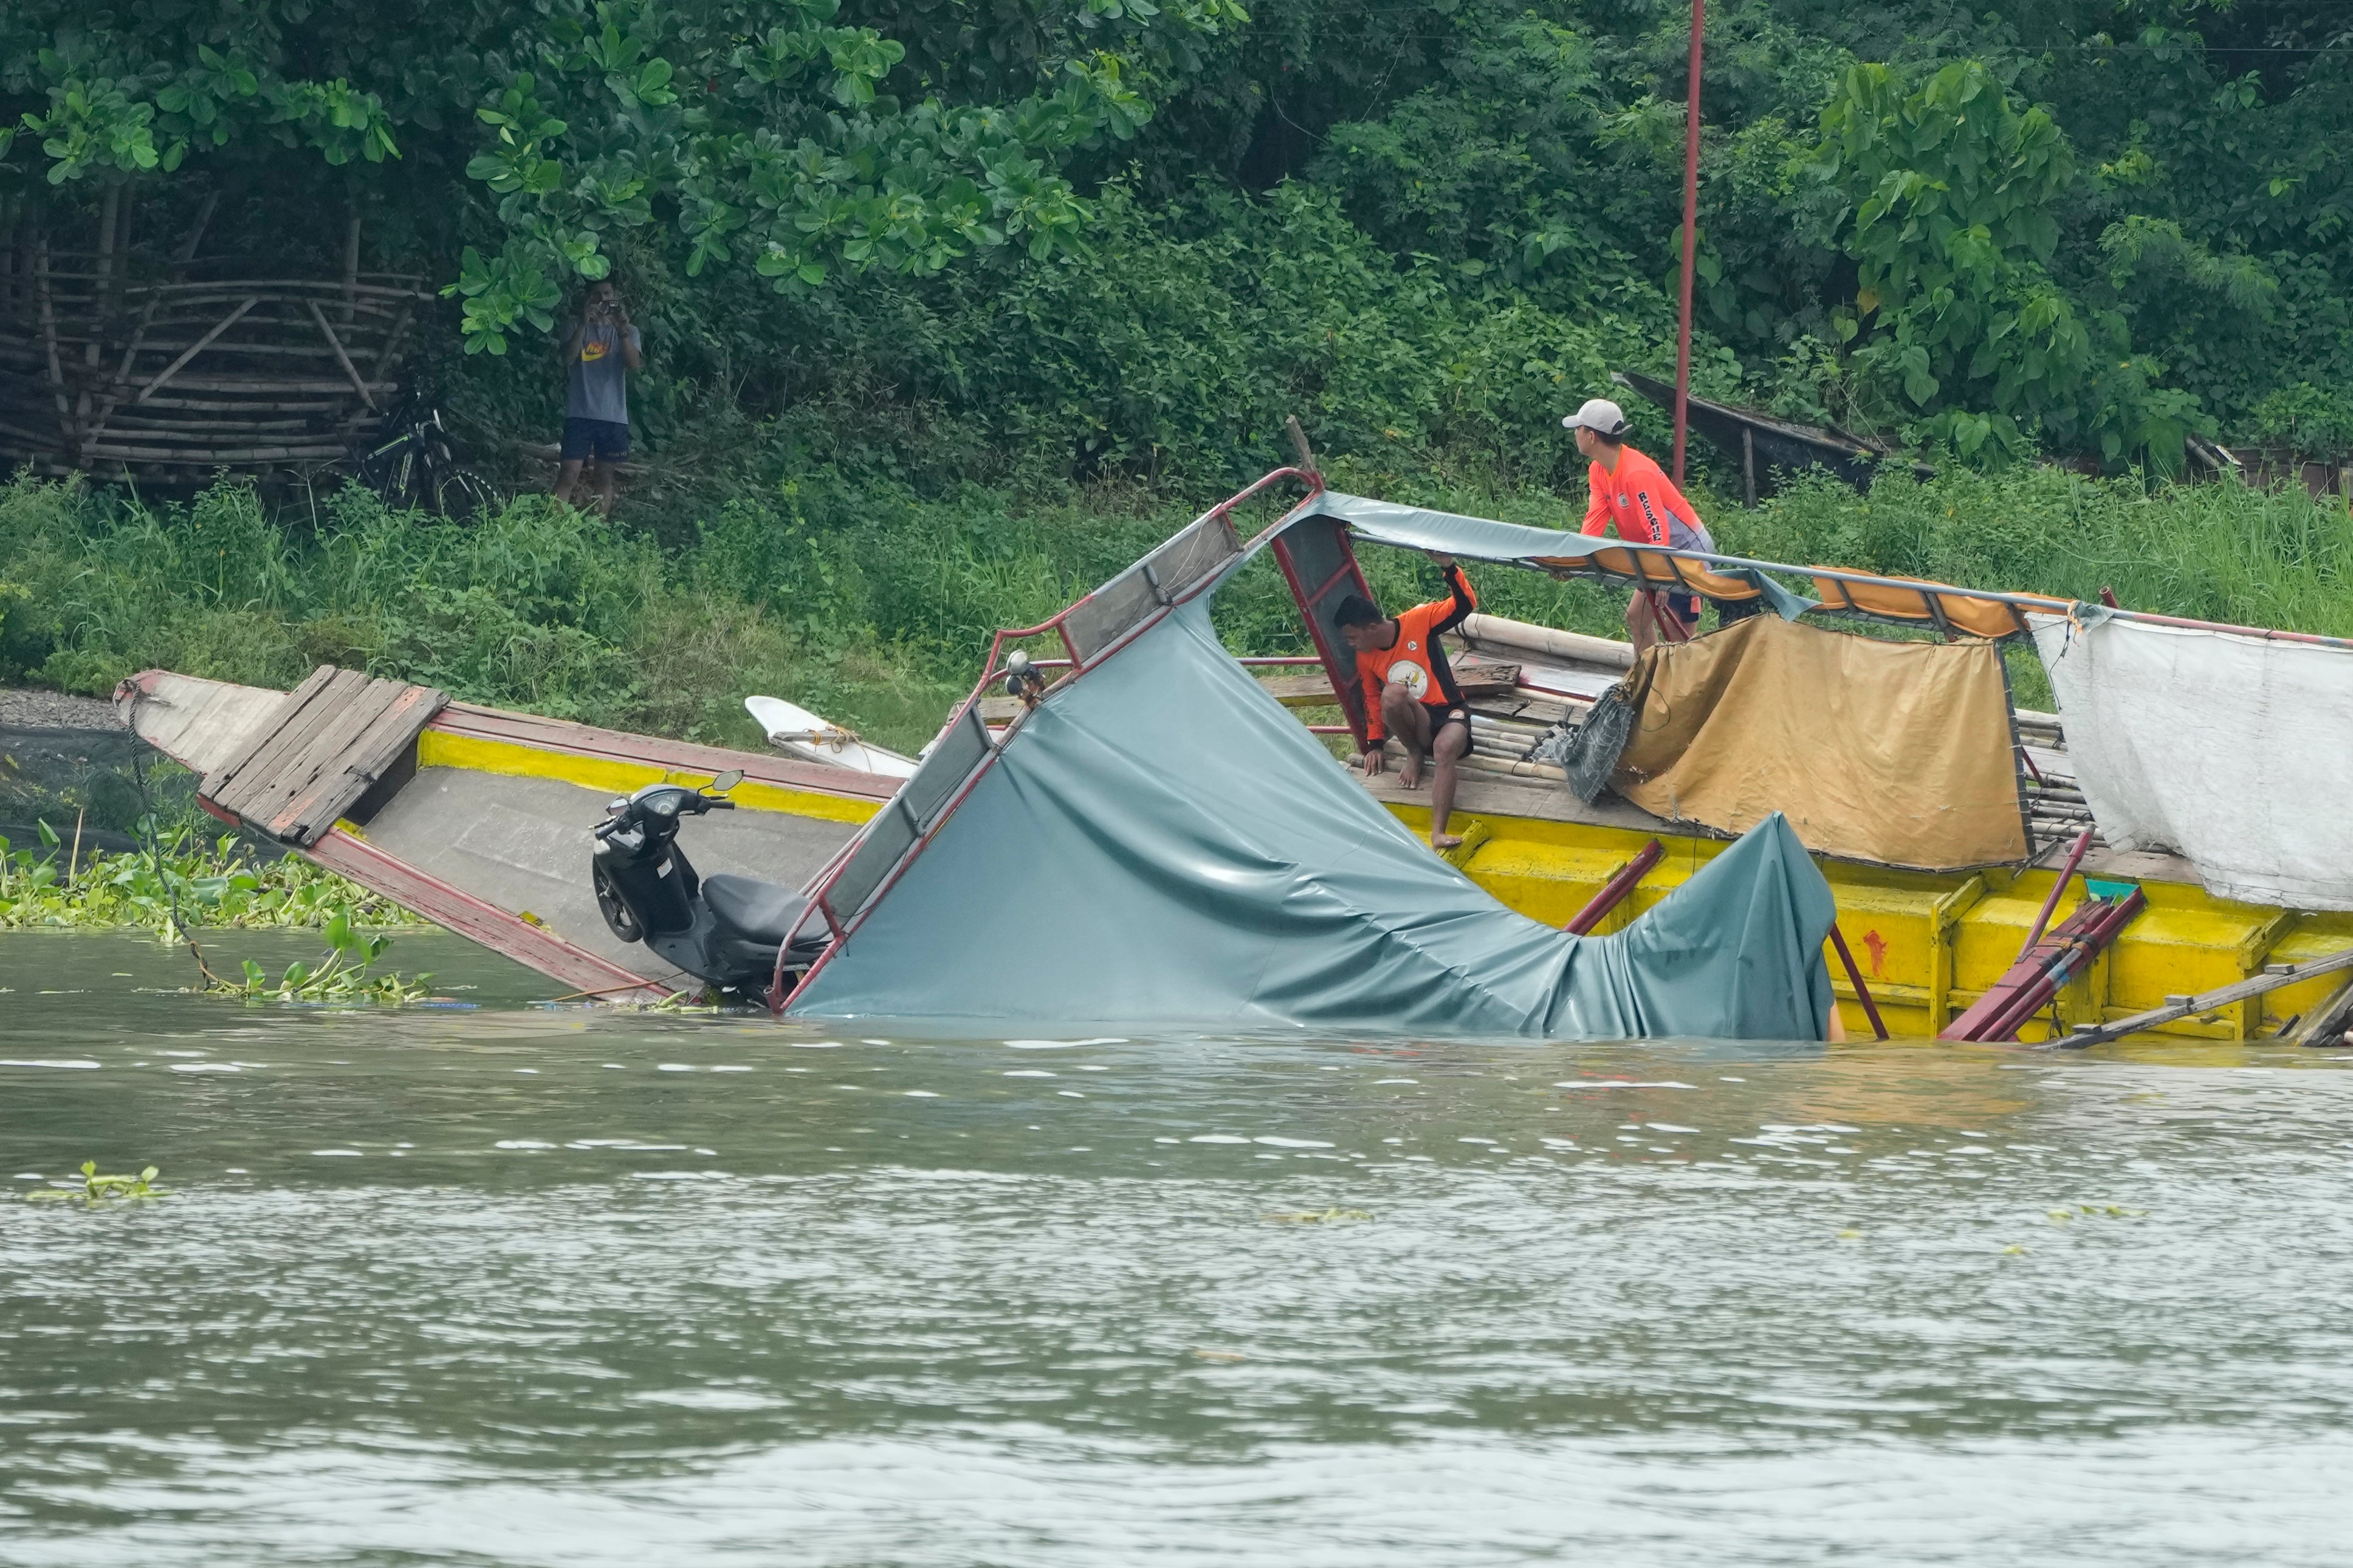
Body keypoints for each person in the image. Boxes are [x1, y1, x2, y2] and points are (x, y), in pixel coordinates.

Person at [1334, 552, 1479, 850]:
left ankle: (1437, 832)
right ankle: (1414, 753)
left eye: (1352, 637)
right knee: (1393, 693)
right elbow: (1373, 699)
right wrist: (1375, 744)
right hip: (1419, 721)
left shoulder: (1419, 620)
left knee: (1444, 748)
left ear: (1371, 628)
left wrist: (1448, 567)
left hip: (1449, 712)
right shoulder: (1366, 657)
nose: (1351, 645)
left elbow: (1464, 605)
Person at [1562, 397, 1716, 653]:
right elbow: (1594, 524)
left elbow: (1658, 527)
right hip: (1656, 551)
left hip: (1686, 550)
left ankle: (1676, 684)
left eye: (1578, 428)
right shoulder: (1598, 471)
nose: (1575, 433)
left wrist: (1660, 576)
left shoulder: (1636, 474)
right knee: (1637, 618)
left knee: (1679, 639)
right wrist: (1571, 562)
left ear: (1591, 436)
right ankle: (1650, 679)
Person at [555, 278, 642, 515]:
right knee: (569, 473)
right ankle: (550, 530)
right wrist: (584, 324)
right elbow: (567, 359)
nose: (602, 299)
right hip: (580, 412)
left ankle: (597, 530)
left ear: (616, 296)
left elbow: (634, 365)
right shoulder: (574, 325)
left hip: (612, 415)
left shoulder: (629, 330)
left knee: (604, 477)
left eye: (607, 293)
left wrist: (621, 329)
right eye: (596, 295)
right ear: (587, 299)